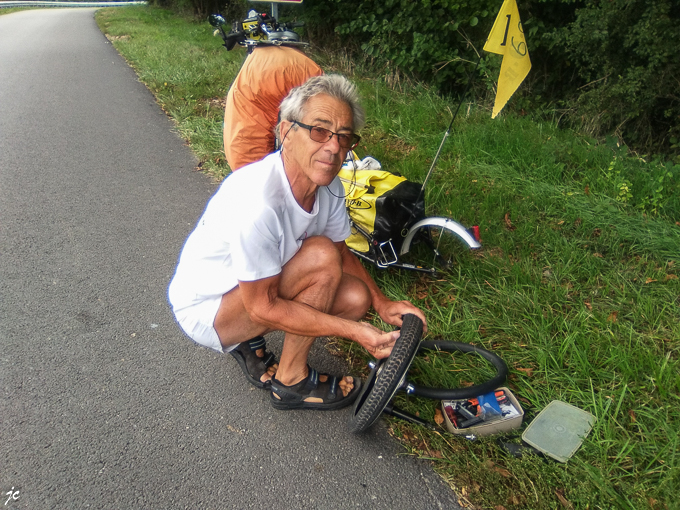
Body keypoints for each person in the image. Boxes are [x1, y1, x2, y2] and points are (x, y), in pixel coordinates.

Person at [169, 74, 426, 410]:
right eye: (319, 131)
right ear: (286, 132)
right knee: (319, 257)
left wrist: (381, 303)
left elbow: (339, 246)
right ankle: (290, 381)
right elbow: (263, 306)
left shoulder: (329, 184)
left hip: (250, 289)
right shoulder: (260, 204)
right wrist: (357, 332)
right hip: (207, 309)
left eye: (344, 137)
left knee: (355, 296)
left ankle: (251, 339)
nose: (333, 147)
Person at [223, 45, 323, 171]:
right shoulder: (305, 64)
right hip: (303, 67)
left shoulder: (254, 64)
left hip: (262, 71)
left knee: (250, 160)